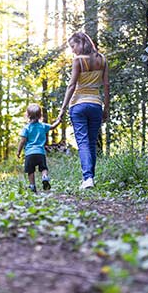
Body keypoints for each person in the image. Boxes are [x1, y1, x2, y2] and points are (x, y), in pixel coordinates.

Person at [56, 31, 110, 189]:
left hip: (78, 105)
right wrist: (106, 108)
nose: (73, 50)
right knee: (92, 143)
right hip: (95, 105)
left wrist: (62, 109)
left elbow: (72, 85)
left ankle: (87, 178)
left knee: (83, 143)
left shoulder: (78, 60)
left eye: (73, 46)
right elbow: (106, 86)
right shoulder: (103, 60)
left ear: (81, 42)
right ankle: (90, 178)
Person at [17, 103, 61, 192]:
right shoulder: (43, 126)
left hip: (29, 153)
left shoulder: (26, 128)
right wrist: (58, 120)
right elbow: (53, 126)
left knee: (31, 170)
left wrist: (18, 151)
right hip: (40, 152)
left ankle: (32, 186)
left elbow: (22, 141)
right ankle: (44, 177)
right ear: (40, 115)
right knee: (43, 168)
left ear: (28, 115)